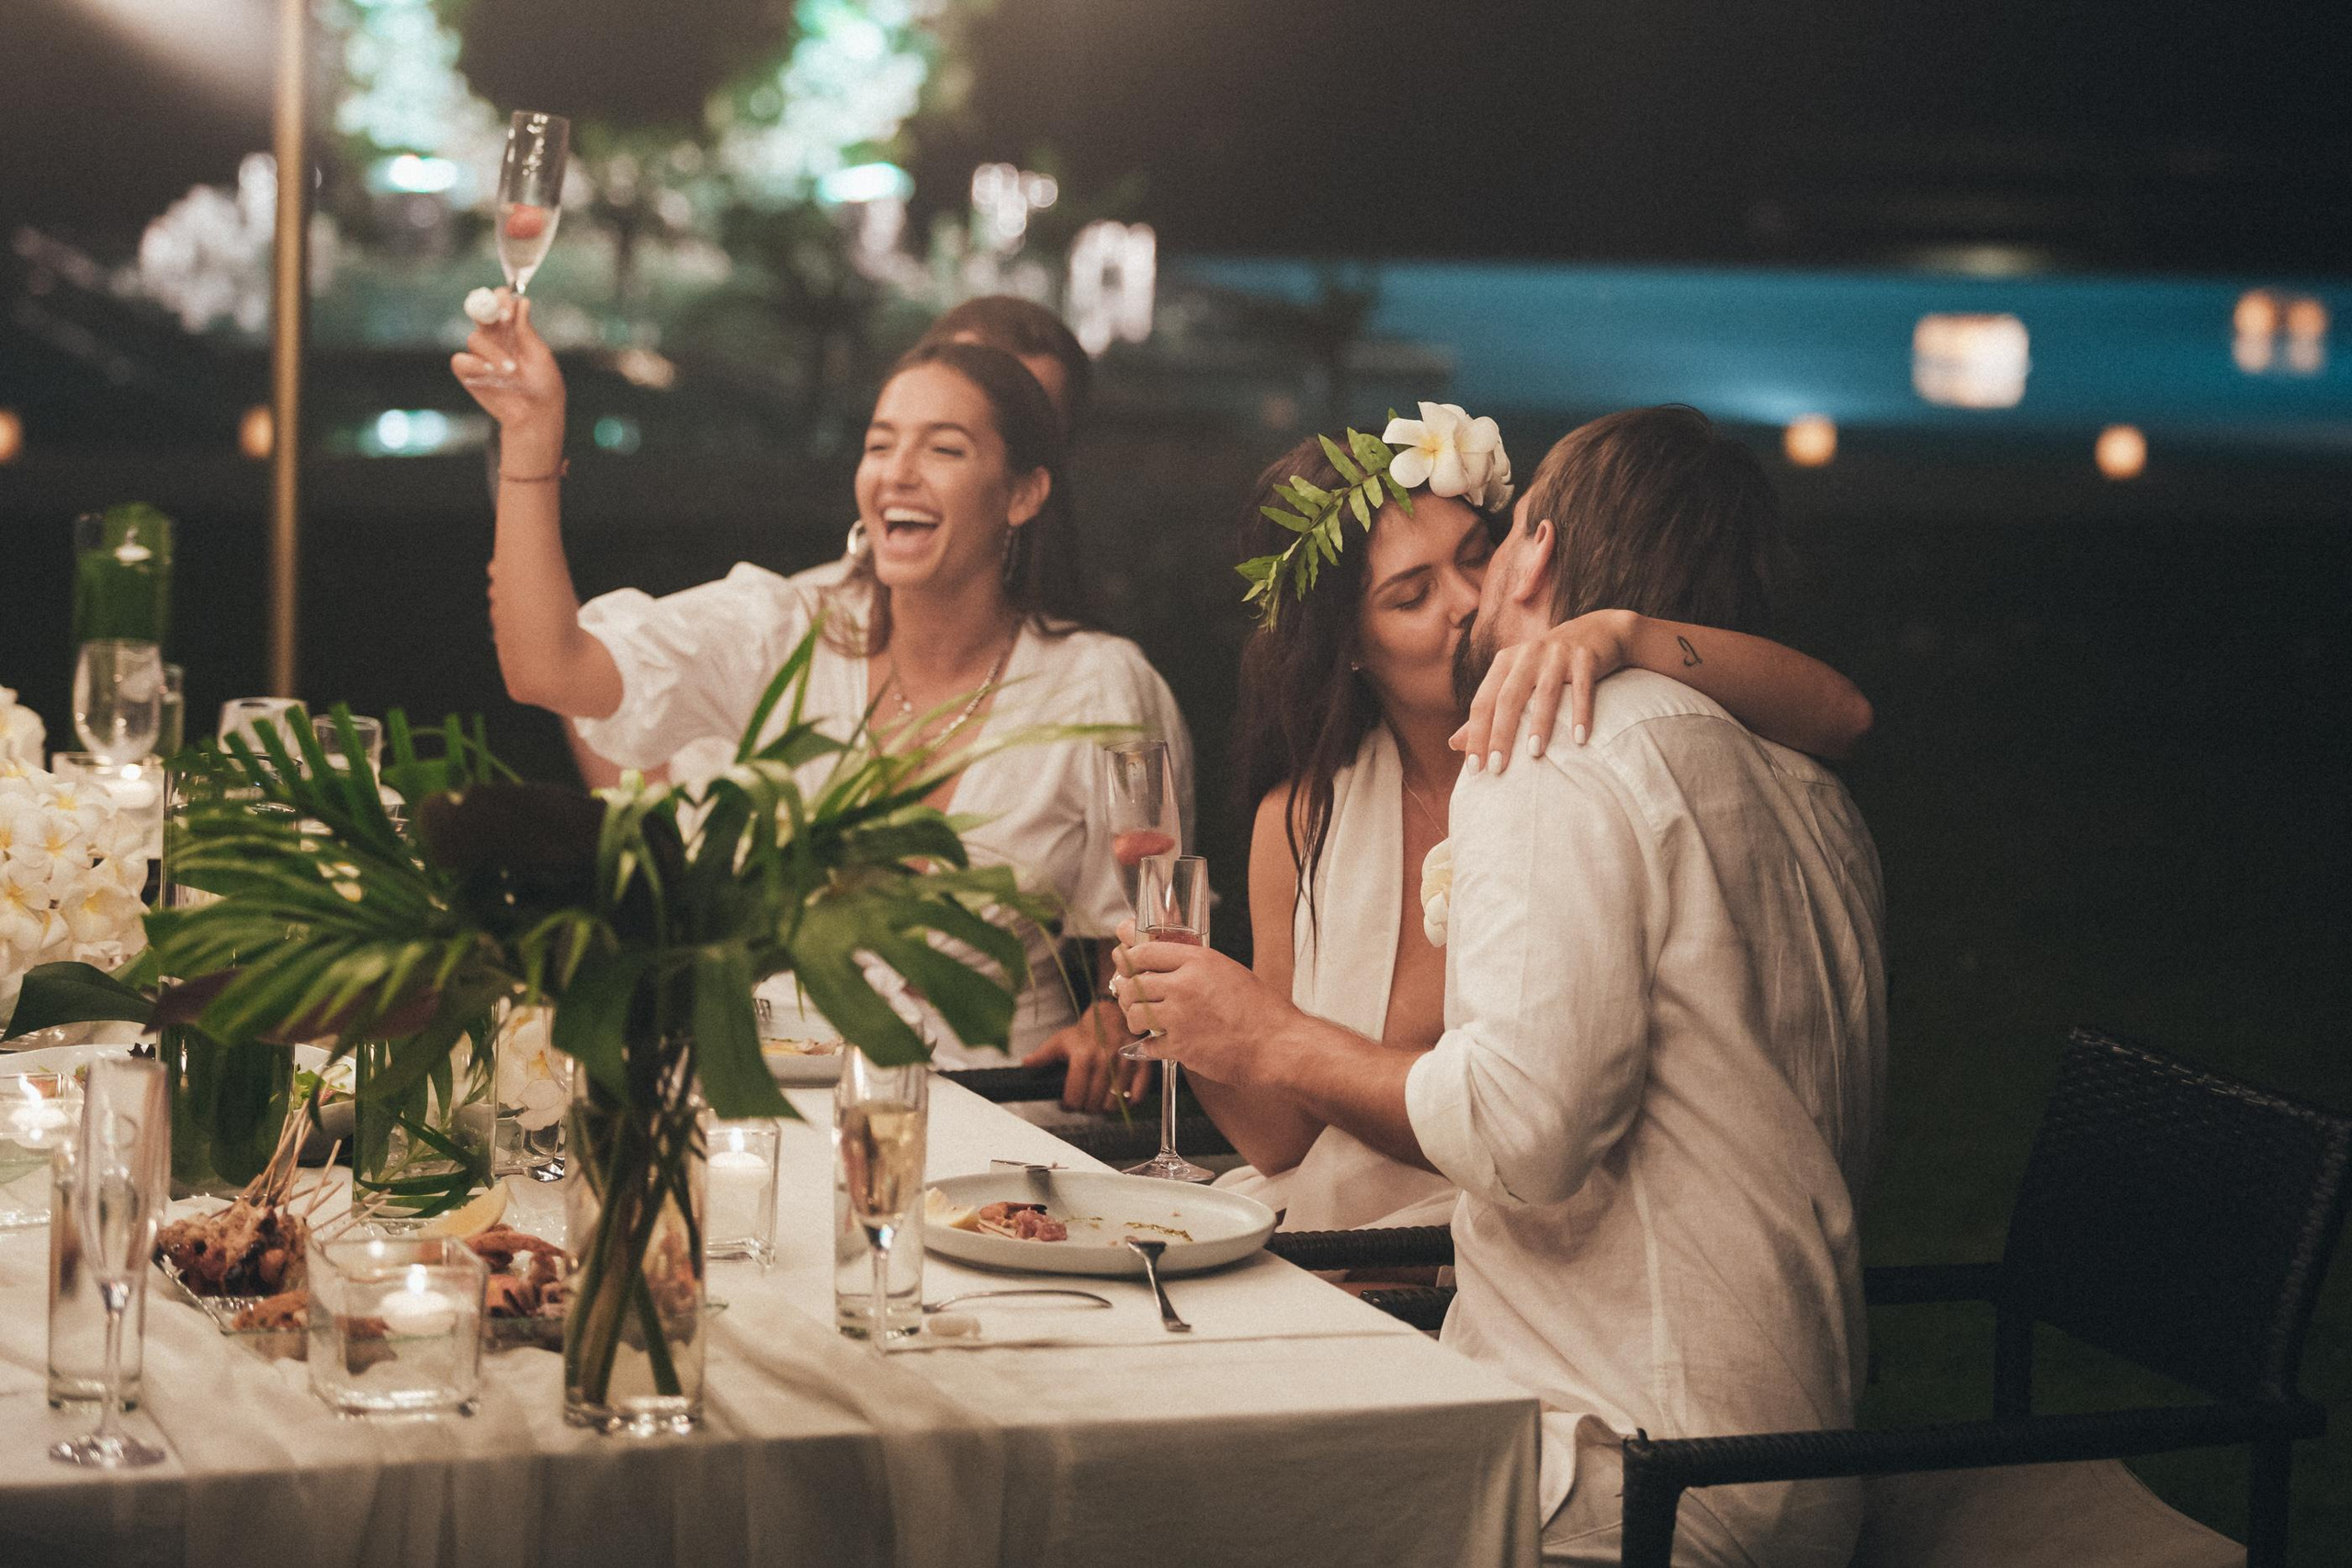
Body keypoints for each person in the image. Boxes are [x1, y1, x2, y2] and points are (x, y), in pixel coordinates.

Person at [1114, 404, 1887, 1565]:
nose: (1473, 598)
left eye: (1492, 542)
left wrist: (1273, 1038)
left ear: (1534, 552)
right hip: (1788, 1450)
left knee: (1142, 1503)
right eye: (1412, 590)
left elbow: (1521, 1132)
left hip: (1627, 1461)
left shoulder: (1553, 748)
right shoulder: (1803, 784)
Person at [452, 310, 1193, 1071]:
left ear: (1026, 491)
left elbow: (1157, 941)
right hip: (784, 1095)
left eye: (943, 448)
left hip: (1005, 1125)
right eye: (879, 444)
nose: (898, 471)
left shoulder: (1099, 685)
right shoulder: (786, 627)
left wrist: (1115, 1023)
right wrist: (532, 437)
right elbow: (549, 667)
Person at [1204, 402, 1873, 1233]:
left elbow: (1843, 714)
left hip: (1531, 1243)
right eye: (1411, 595)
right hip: (1357, 1227)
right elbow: (1285, 1136)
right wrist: (1199, 1029)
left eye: (1479, 555)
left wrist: (1623, 631)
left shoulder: (1577, 753)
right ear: (1348, 646)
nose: (1464, 600)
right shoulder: (1305, 817)